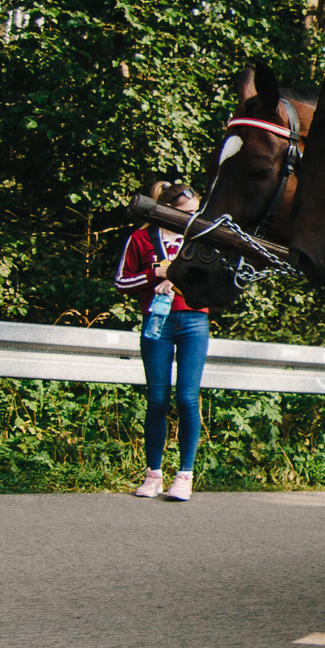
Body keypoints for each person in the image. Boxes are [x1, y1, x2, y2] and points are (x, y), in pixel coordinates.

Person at [116, 182, 212, 501]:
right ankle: (153, 474)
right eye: (188, 213)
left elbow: (214, 278)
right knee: (157, 399)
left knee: (187, 398)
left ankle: (185, 475)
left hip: (194, 321)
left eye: (197, 212)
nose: (194, 217)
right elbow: (121, 281)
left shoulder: (201, 239)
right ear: (168, 211)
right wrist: (156, 272)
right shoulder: (141, 238)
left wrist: (178, 274)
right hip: (156, 322)